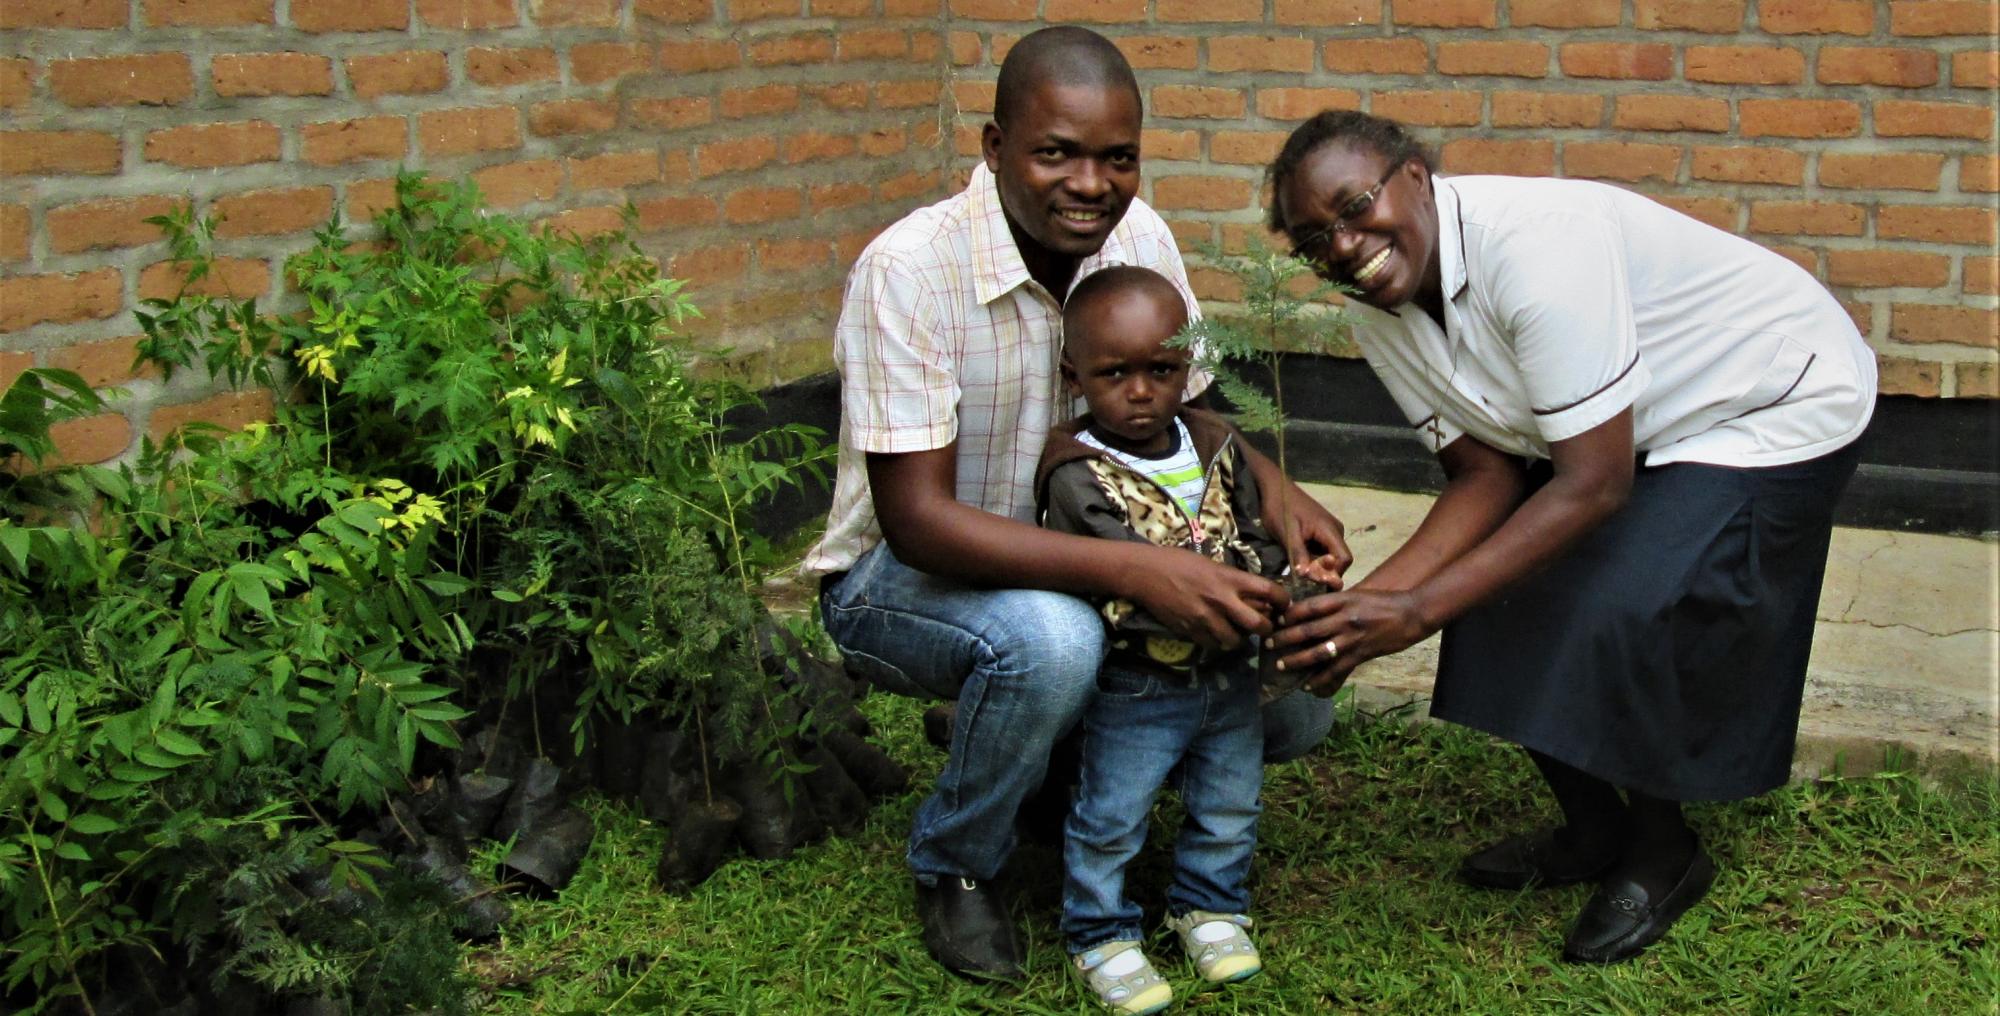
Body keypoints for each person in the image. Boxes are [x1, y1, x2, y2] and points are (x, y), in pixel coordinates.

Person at [1261, 110, 1877, 963]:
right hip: (1637, 425)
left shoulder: (1536, 247)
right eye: (1312, 237)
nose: (1342, 243)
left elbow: (1594, 485)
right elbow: (1487, 475)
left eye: (1354, 205)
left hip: (1768, 396)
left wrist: (1417, 611)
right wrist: (1367, 613)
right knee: (1496, 586)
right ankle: (1592, 829)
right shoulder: (1380, 311)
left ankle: (1665, 851)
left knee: (1617, 602)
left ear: (1415, 174)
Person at [801, 27, 1351, 982]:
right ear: (995, 147)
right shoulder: (910, 272)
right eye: (1057, 152)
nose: (1091, 183)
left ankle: (1051, 768)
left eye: (1118, 157)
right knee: (1056, 645)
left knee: (1290, 705)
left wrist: (1279, 488)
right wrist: (1141, 568)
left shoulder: (1139, 240)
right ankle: (959, 865)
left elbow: (1198, 406)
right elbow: (916, 524)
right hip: (900, 584)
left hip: (1089, 563)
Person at [1037, 266, 1338, 1012]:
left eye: (1162, 370)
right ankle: (1100, 933)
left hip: (1229, 675)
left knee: (1229, 798)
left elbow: (1258, 530)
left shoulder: (1213, 443)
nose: (1141, 392)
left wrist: (1287, 580)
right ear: (1074, 375)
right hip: (1140, 681)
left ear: (1187, 368)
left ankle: (1209, 906)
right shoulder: (1076, 474)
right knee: (1113, 810)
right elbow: (1111, 579)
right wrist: (1218, 601)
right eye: (1115, 374)